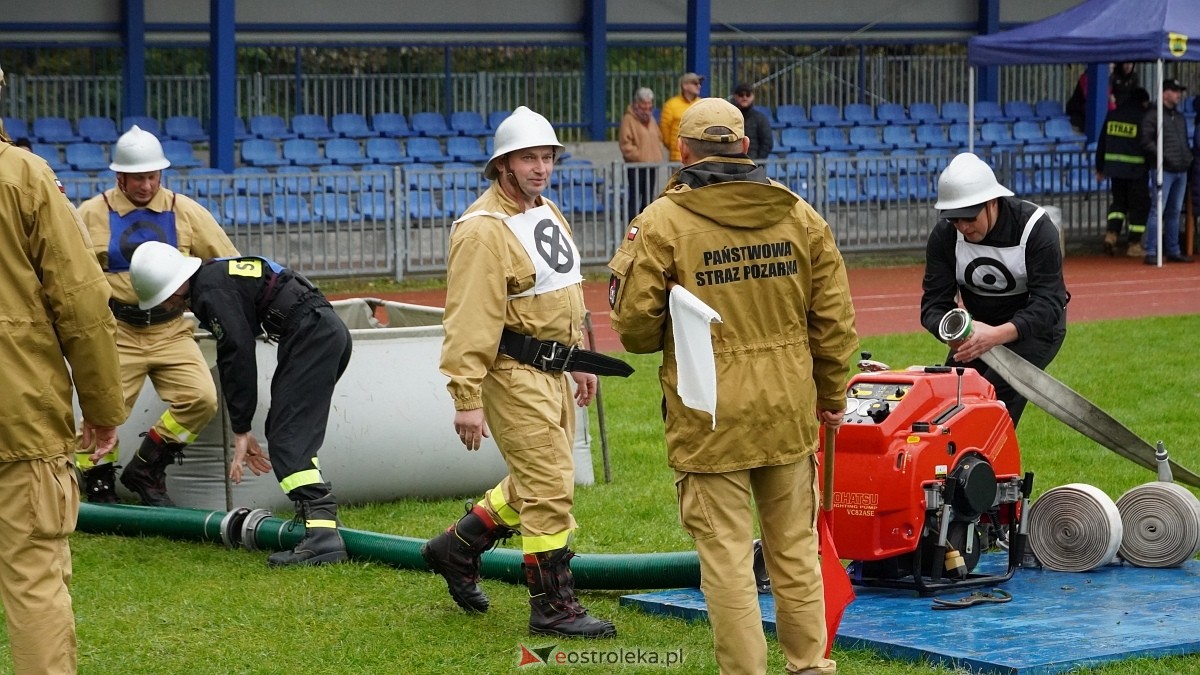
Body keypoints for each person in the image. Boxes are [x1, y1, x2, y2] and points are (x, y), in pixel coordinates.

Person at [608, 98, 858, 675]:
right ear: (745, 149)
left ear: (683, 152)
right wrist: (834, 395)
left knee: (724, 557)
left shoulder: (661, 223)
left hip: (708, 412)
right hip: (789, 407)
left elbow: (636, 331)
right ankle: (810, 665)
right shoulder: (800, 215)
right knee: (794, 551)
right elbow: (835, 322)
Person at [421, 106, 629, 639]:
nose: (540, 168)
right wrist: (465, 397)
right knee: (551, 485)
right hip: (513, 373)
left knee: (537, 478)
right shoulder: (481, 231)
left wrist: (581, 355)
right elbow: (468, 319)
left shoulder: (546, 210)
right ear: (503, 165)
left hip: (556, 370)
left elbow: (565, 292)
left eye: (547, 157)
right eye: (528, 158)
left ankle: (457, 547)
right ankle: (553, 606)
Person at [0, 70, 126, 674]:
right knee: (33, 579)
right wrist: (103, 410)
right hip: (17, 416)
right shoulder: (22, 176)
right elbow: (81, 303)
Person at [128, 241, 353, 567]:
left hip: (312, 334)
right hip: (320, 331)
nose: (167, 307)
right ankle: (321, 526)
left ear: (175, 285)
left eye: (165, 299)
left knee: (288, 438)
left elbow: (237, 353)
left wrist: (241, 428)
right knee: (289, 433)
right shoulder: (214, 276)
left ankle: (322, 538)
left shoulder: (210, 290)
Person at [73, 125, 240, 506]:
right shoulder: (90, 214)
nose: (146, 185)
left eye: (152, 176)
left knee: (201, 399)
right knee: (101, 409)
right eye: (137, 178)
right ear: (119, 176)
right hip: (117, 329)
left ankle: (147, 467)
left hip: (172, 331)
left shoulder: (186, 212)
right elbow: (73, 273)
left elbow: (226, 261)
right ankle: (97, 480)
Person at [920, 152, 1069, 427]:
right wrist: (952, 334)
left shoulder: (1035, 228)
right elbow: (933, 305)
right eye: (954, 220)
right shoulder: (944, 236)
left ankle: (989, 468)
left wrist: (998, 334)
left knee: (992, 405)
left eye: (969, 217)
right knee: (949, 402)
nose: (963, 227)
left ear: (991, 203)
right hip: (977, 331)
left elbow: (1050, 302)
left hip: (1035, 331)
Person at [1140, 78, 1194, 264]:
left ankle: (1173, 249)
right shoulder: (1153, 115)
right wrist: (1162, 157)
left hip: (1180, 168)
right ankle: (1152, 250)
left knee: (1174, 211)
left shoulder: (1178, 117)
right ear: (1165, 93)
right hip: (1164, 169)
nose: (1179, 94)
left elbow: (1183, 141)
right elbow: (1146, 141)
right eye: (1175, 91)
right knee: (1159, 210)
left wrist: (1186, 158)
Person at [1096, 87, 1151, 258]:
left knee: (1118, 204)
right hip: (1136, 170)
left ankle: (1111, 235)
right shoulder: (1142, 118)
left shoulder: (1113, 114)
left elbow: (1102, 142)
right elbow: (1147, 144)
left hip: (1115, 171)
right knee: (1139, 206)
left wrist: (1100, 167)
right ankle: (1134, 243)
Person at [618, 86, 665, 218]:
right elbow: (625, 143)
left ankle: (646, 225)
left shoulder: (651, 120)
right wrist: (640, 156)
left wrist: (656, 152)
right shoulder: (628, 119)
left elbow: (658, 137)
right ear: (637, 103)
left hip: (651, 165)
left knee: (648, 197)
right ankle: (632, 226)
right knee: (635, 196)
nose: (648, 107)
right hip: (636, 165)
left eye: (650, 104)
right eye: (645, 104)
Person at [660, 72, 704, 163]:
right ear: (685, 86)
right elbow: (664, 130)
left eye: (700, 83)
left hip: (699, 157)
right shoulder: (671, 105)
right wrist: (674, 147)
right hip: (678, 158)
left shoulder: (702, 104)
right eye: (695, 83)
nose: (699, 86)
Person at [731, 82, 773, 160]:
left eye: (748, 94)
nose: (744, 97)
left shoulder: (760, 118)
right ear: (735, 96)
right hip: (733, 164)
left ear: (753, 96)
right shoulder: (729, 117)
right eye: (741, 94)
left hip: (754, 163)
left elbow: (767, 143)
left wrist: (757, 162)